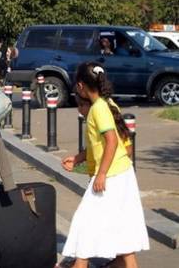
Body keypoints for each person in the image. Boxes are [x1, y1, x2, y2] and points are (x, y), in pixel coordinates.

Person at [60, 62, 149, 268]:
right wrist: (79, 158)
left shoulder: (98, 108)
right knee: (121, 231)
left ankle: (79, 264)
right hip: (121, 174)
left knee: (84, 225)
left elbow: (112, 140)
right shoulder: (108, 104)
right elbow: (106, 144)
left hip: (110, 177)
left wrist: (101, 174)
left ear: (81, 86)